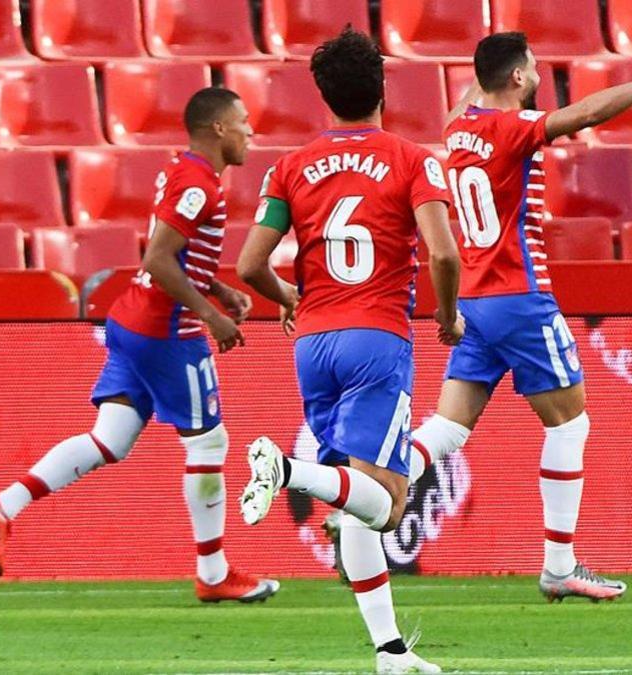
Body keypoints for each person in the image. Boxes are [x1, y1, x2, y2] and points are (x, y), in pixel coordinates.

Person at [402, 31, 632, 602]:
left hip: (473, 301)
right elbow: (589, 111)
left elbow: (476, 89)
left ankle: (367, 496)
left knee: (446, 430)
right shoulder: (513, 130)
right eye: (534, 66)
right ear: (518, 78)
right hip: (521, 298)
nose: (540, 71)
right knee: (570, 424)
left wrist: (488, 64)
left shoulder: (458, 129)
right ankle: (559, 564)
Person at [0, 88, 278, 603]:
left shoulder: (179, 172)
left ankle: (6, 503)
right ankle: (214, 571)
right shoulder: (202, 185)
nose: (252, 132)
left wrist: (218, 288)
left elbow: (174, 254)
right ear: (218, 129)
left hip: (133, 318)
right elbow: (160, 257)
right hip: (168, 332)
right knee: (209, 444)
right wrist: (209, 314)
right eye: (244, 122)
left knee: (110, 439)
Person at [234, 26, 460, 674]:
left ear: (323, 97)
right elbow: (443, 251)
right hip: (376, 339)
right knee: (387, 505)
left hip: (313, 343)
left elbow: (249, 265)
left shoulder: (290, 165)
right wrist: (446, 317)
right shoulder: (412, 159)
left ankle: (390, 651)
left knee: (355, 498)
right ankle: (287, 470)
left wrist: (290, 299)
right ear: (382, 87)